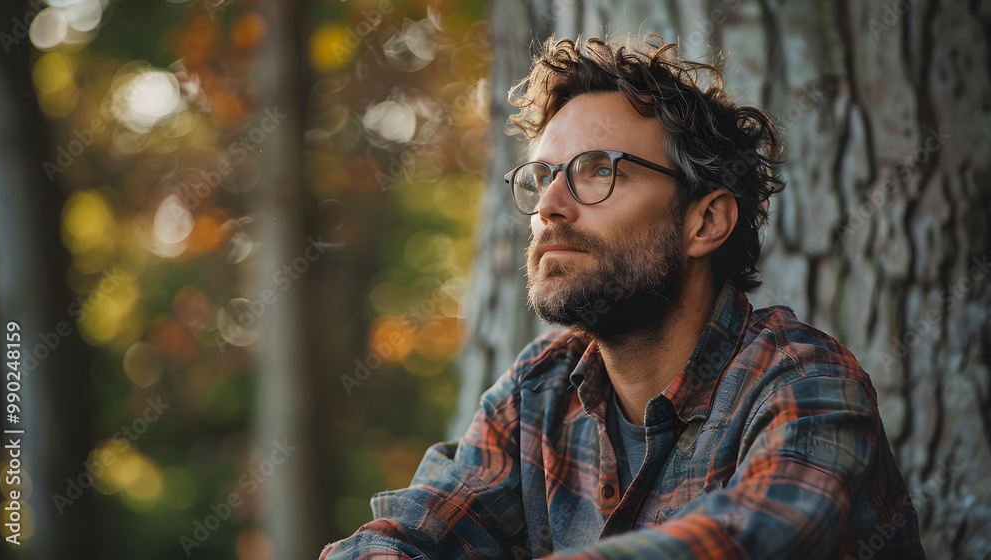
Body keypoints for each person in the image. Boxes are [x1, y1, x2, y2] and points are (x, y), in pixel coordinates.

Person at [320, 35, 925, 559]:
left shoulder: (802, 383)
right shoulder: (539, 394)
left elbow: (758, 538)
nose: (550, 206)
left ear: (705, 222)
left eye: (597, 171)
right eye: (542, 177)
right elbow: (401, 536)